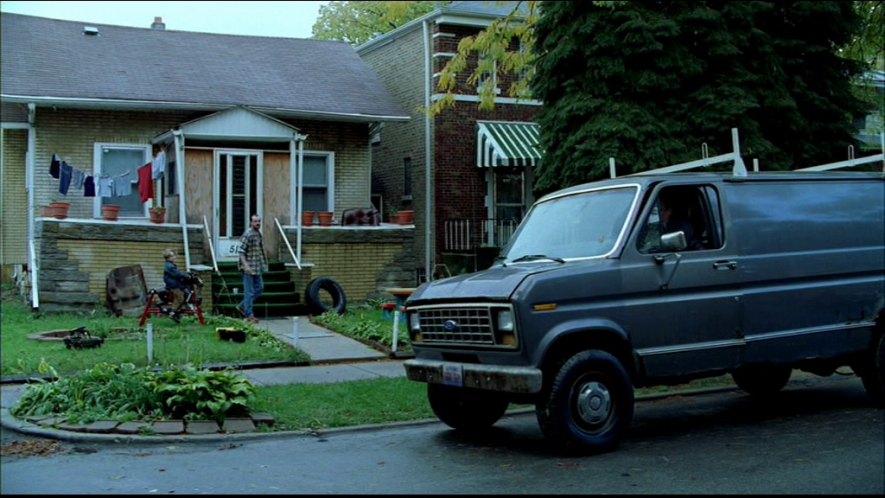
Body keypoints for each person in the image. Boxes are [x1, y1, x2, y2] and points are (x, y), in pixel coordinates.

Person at [237, 214, 268, 323]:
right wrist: (245, 266)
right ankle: (249, 315)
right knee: (249, 292)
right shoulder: (248, 234)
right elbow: (241, 252)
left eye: (259, 221)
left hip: (257, 268)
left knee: (259, 288)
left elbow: (260, 252)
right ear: (251, 222)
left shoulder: (259, 234)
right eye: (255, 221)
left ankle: (242, 306)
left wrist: (264, 265)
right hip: (248, 268)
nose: (257, 223)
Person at [162, 249, 188, 323]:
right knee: (180, 297)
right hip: (173, 285)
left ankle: (177, 314)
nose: (175, 257)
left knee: (180, 298)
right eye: (173, 256)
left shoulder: (170, 265)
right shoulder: (169, 266)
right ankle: (172, 313)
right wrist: (187, 276)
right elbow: (177, 274)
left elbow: (177, 273)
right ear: (169, 257)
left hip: (175, 284)